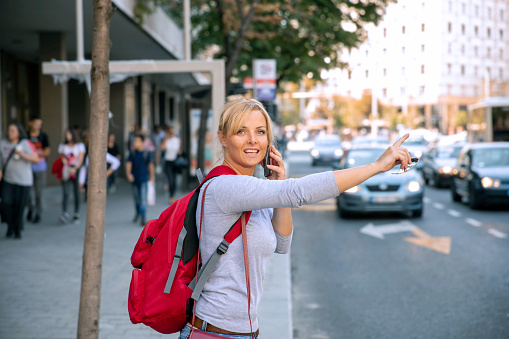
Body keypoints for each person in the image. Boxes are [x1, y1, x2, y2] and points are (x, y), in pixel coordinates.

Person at [178, 98, 412, 339]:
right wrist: (375, 166)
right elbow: (299, 192)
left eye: (260, 132)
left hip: (242, 332)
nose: (252, 140)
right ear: (223, 138)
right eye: (241, 131)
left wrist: (279, 188)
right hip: (216, 331)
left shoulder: (253, 192)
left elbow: (282, 243)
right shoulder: (226, 187)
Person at [0, 123, 39, 239]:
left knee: (19, 206)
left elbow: (35, 159)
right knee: (6, 203)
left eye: (12, 131)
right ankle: (11, 225)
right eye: (9, 130)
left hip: (23, 181)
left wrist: (21, 153)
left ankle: (16, 229)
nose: (10, 133)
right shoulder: (3, 144)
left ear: (19, 132)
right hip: (8, 180)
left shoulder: (26, 144)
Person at [126, 133, 155, 226]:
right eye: (134, 141)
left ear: (142, 142)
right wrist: (128, 174)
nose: (135, 143)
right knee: (136, 199)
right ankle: (138, 212)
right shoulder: (132, 153)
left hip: (144, 179)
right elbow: (128, 164)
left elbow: (151, 166)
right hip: (134, 179)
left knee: (142, 199)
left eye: (137, 141)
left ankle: (143, 217)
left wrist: (152, 177)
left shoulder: (147, 153)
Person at [58, 128, 86, 224]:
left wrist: (75, 168)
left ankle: (76, 213)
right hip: (66, 169)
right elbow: (61, 156)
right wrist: (65, 163)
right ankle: (65, 213)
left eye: (69, 134)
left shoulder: (80, 145)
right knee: (65, 192)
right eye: (66, 134)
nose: (67, 136)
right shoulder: (63, 145)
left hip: (76, 170)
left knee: (76, 192)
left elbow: (81, 159)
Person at [26, 117, 51, 224]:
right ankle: (31, 208)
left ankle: (38, 213)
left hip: (40, 167)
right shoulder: (26, 136)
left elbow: (47, 151)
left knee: (38, 192)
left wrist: (35, 154)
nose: (38, 126)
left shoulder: (43, 136)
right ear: (31, 123)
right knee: (28, 192)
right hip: (27, 167)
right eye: (36, 124)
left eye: (39, 124)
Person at [160, 126, 181, 204]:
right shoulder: (167, 140)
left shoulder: (177, 140)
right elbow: (162, 148)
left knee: (174, 179)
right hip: (168, 161)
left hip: (175, 162)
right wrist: (166, 138)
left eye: (173, 132)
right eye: (170, 132)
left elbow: (179, 151)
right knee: (170, 179)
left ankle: (172, 195)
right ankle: (171, 195)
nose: (172, 134)